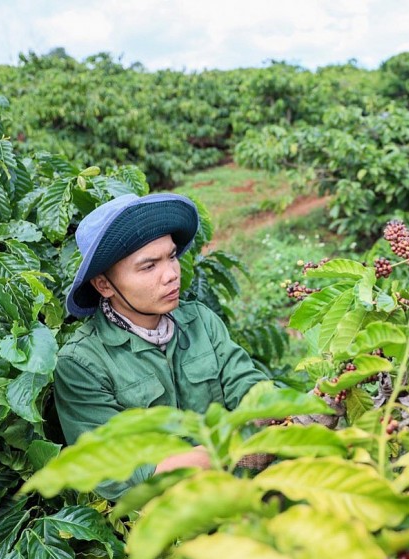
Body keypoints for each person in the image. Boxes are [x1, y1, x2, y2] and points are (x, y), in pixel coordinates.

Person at [54, 193, 270, 498]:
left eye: (171, 257)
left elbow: (248, 385)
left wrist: (278, 414)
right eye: (148, 267)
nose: (171, 274)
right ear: (104, 285)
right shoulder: (81, 364)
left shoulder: (201, 321)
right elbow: (122, 472)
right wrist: (233, 451)